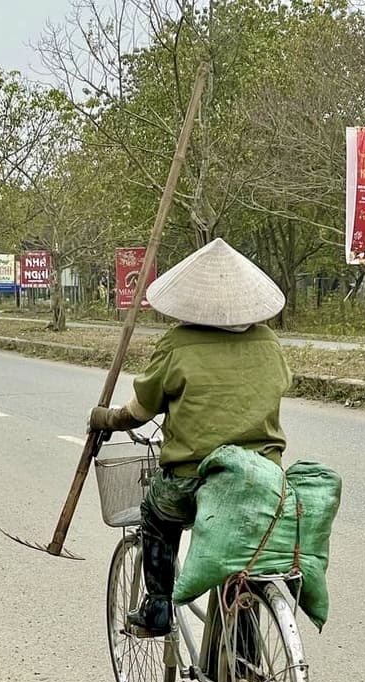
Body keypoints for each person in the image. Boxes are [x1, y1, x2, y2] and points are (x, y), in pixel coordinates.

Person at [88, 238, 291, 636]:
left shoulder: (179, 343)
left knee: (155, 514)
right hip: (260, 478)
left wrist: (107, 419)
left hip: (191, 479)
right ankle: (245, 667)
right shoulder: (270, 342)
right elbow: (279, 385)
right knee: (243, 564)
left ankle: (158, 608)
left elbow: (140, 410)